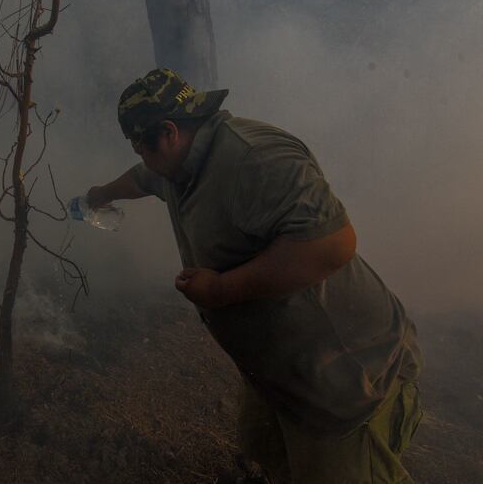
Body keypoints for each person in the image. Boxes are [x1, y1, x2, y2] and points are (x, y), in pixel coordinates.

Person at [86, 69, 423, 484]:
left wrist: (223, 289)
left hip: (346, 378)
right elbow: (142, 179)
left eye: (139, 146)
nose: (140, 157)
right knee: (264, 445)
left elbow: (333, 245)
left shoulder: (255, 159)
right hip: (287, 369)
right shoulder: (179, 161)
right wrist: (100, 195)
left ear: (168, 131)